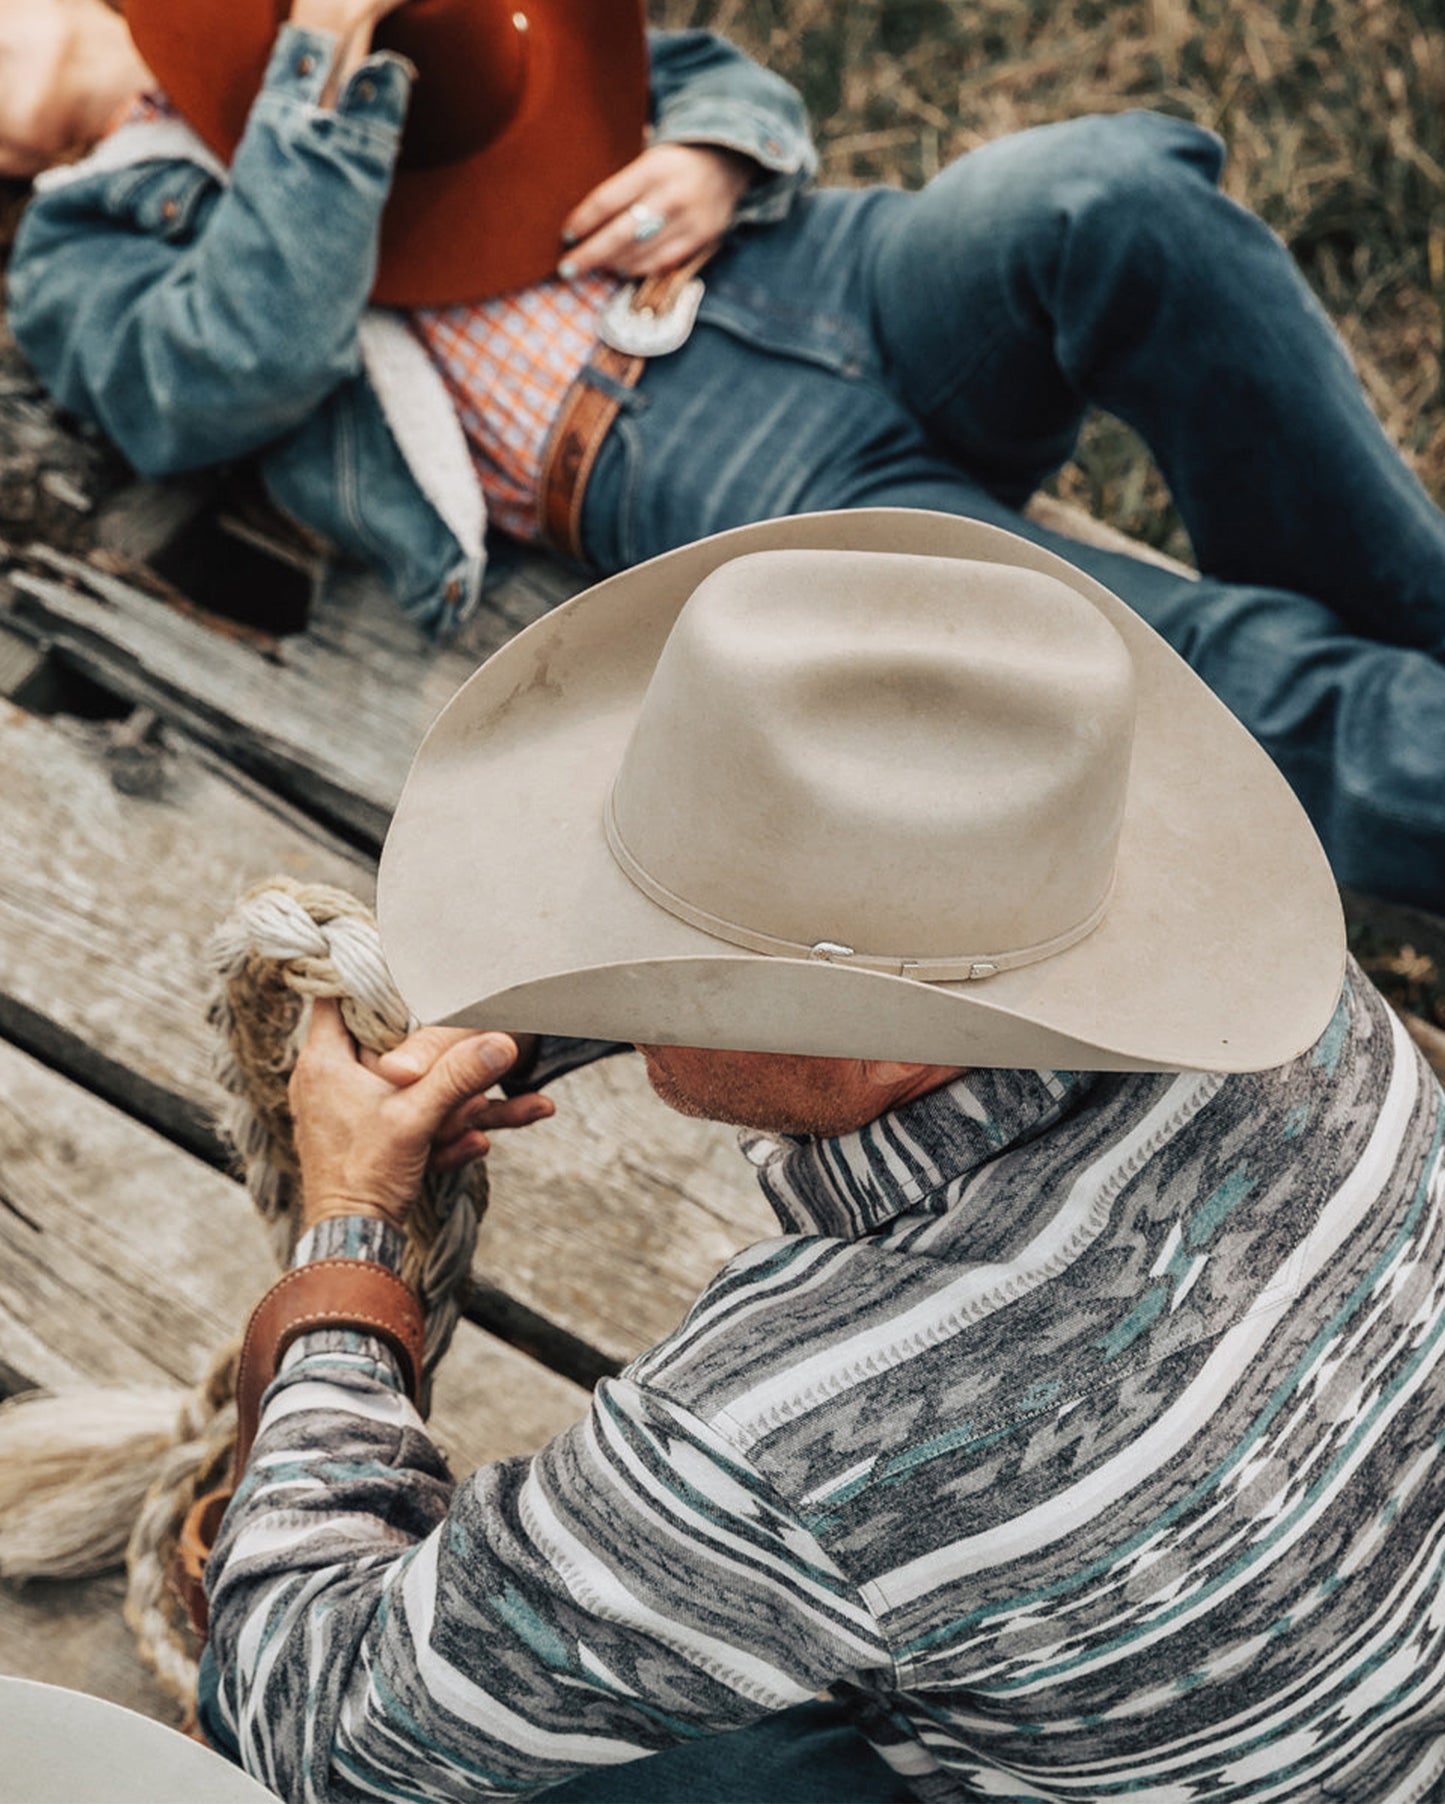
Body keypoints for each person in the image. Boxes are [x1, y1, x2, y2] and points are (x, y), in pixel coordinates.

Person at [197, 509, 1445, 1804]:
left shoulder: (774, 1434)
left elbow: (311, 1721)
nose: (617, 986)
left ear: (856, 1042)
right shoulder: (1325, 1030)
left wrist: (350, 1227)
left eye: (667, 970)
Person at [6, 0, 1445, 913]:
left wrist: (712, 150)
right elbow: (237, 367)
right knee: (1165, 668)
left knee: (1108, 191)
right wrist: (318, 62)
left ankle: (1420, 632)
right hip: (686, 463)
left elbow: (658, 65)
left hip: (822, 268)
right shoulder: (82, 247)